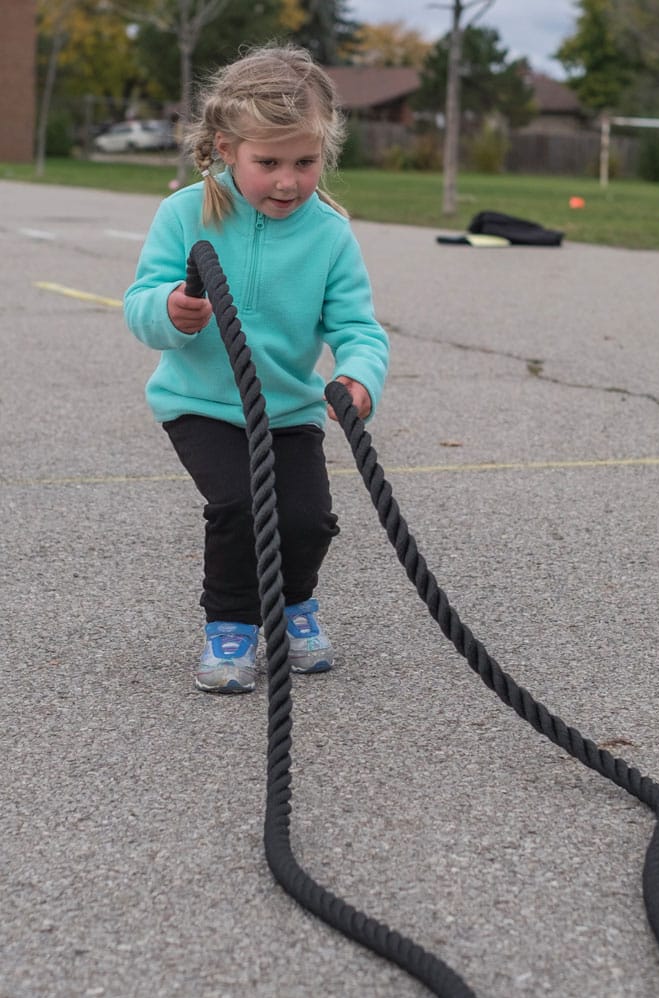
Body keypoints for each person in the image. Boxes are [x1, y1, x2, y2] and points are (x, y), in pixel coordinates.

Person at [123, 44, 389, 694]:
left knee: (306, 520)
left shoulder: (328, 234)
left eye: (305, 161)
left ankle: (293, 604)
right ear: (225, 148)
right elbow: (139, 303)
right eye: (267, 162)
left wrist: (359, 375)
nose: (288, 181)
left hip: (288, 407)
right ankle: (231, 625)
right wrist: (171, 309)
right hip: (201, 402)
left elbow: (358, 327)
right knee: (241, 504)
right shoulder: (185, 214)